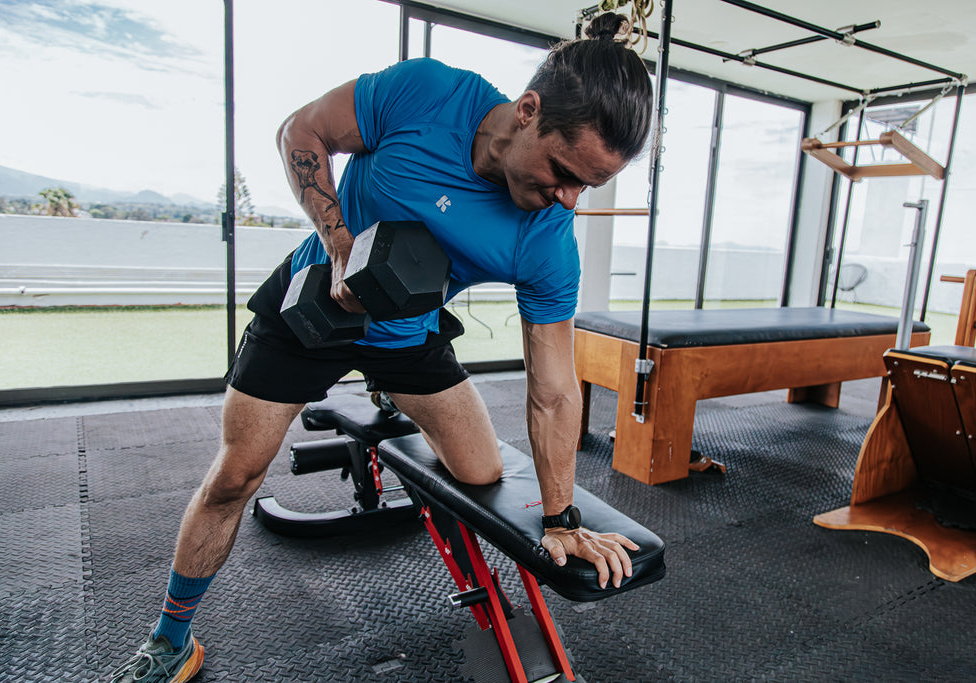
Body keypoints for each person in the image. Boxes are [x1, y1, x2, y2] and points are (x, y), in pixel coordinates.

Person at [110, 11, 653, 683]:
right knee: (236, 475)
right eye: (563, 171)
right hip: (313, 304)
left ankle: (382, 383)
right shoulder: (429, 93)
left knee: (481, 474)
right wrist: (339, 242)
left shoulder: (546, 238)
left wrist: (562, 516)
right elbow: (300, 130)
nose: (567, 199)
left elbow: (553, 388)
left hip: (407, 333)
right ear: (527, 111)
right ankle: (171, 637)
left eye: (587, 188)